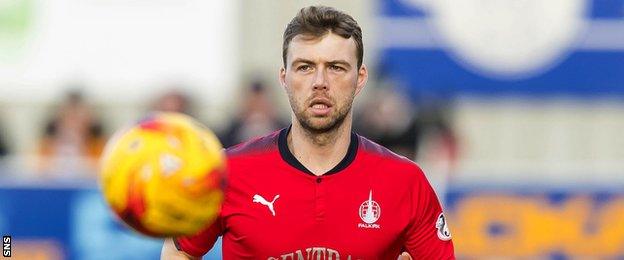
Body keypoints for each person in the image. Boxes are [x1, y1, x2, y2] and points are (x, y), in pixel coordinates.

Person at [161, 6, 454, 259]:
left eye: (336, 67)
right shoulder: (227, 171)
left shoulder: (405, 182)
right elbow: (180, 250)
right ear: (284, 77)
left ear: (360, 78)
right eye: (304, 67)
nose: (320, 82)